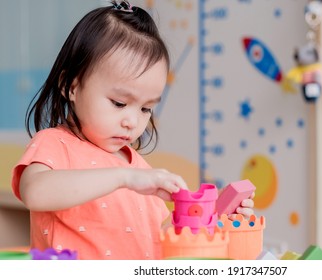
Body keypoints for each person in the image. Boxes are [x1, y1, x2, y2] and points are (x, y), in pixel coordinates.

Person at [11, 1, 254, 260]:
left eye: (146, 109)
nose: (132, 122)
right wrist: (124, 178)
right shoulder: (55, 144)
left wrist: (212, 220)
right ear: (71, 86)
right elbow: (35, 193)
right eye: (119, 103)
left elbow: (158, 242)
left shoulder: (138, 169)